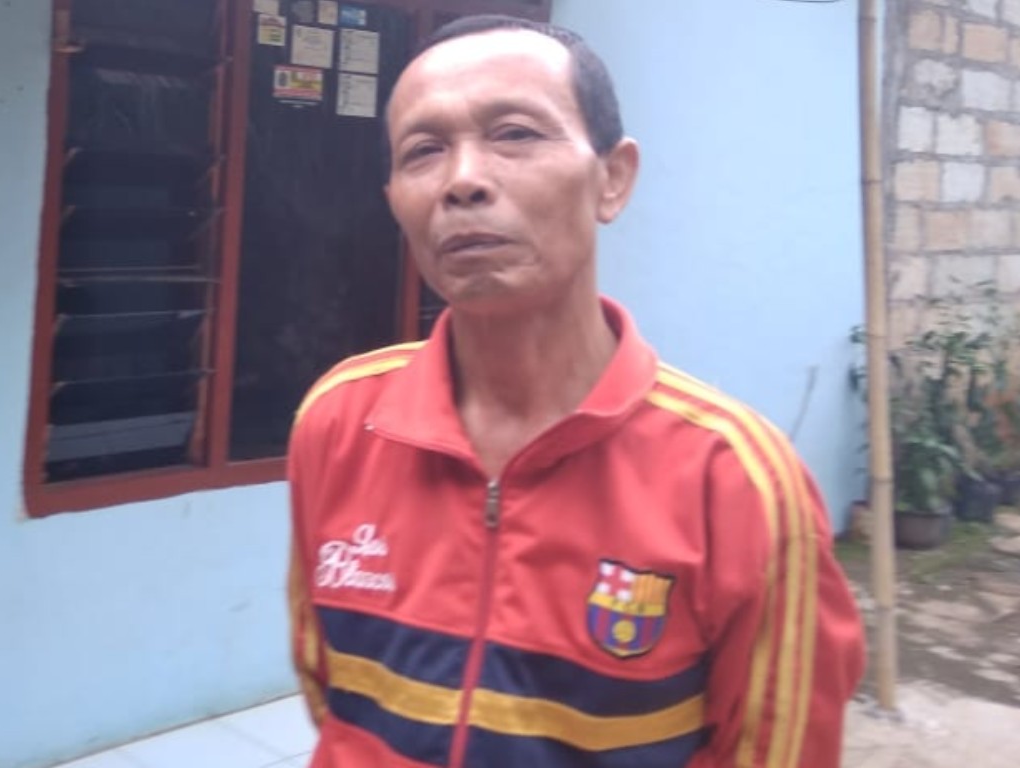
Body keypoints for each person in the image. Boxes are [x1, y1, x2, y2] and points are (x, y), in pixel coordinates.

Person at [287, 14, 864, 768]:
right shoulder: (339, 422)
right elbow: (332, 693)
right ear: (394, 196)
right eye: (423, 150)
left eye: (515, 134)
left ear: (612, 178)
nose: (462, 180)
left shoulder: (738, 483)